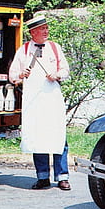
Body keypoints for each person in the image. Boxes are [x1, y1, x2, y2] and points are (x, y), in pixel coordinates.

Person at [8, 13, 72, 190]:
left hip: (52, 99)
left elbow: (65, 69)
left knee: (58, 136)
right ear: (33, 32)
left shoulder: (55, 47)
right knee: (38, 137)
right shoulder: (24, 49)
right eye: (42, 29)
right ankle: (42, 176)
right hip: (34, 101)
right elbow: (12, 75)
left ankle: (62, 176)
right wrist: (21, 75)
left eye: (46, 28)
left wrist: (57, 75)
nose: (46, 31)